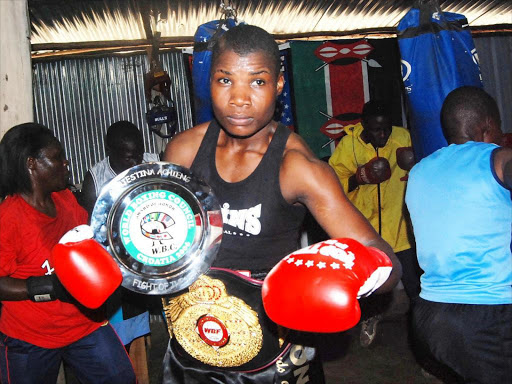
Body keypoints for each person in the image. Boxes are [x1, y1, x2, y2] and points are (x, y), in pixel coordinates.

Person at [162, 24, 402, 383]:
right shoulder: (183, 151)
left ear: (277, 85)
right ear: (208, 82)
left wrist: (350, 278)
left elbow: (385, 261)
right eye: (225, 81)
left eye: (257, 82)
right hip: (193, 348)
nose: (239, 99)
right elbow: (156, 238)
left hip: (274, 358)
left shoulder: (297, 167)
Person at [0, 123, 136, 383]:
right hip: (30, 338)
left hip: (83, 325)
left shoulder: (65, 199)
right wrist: (48, 287)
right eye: (57, 157)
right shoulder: (9, 217)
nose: (66, 162)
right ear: (32, 164)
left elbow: (92, 243)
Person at [405, 86, 512, 383]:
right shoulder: (499, 160)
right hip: (484, 315)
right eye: (500, 127)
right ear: (488, 125)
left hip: (428, 316)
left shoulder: (419, 172)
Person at [328, 100, 422, 346]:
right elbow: (331, 187)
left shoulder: (404, 138)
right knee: (368, 290)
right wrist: (360, 177)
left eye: (386, 129)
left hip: (400, 229)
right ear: (363, 126)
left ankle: (424, 338)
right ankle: (370, 318)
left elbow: (434, 169)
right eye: (376, 130)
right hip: (367, 233)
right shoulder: (349, 146)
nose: (382, 135)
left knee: (416, 288)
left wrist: (417, 164)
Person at [80, 120, 159, 381]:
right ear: (110, 152)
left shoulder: (153, 162)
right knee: (123, 320)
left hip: (157, 250)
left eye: (139, 152)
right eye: (128, 156)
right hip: (119, 262)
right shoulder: (96, 179)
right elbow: (94, 232)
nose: (137, 159)